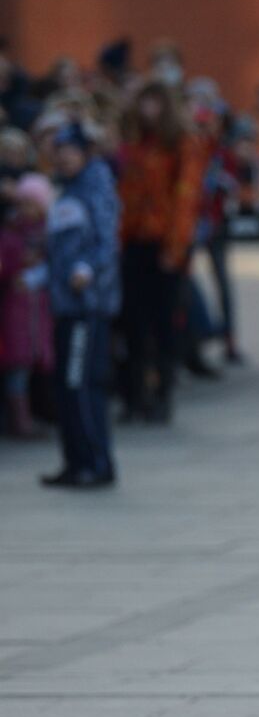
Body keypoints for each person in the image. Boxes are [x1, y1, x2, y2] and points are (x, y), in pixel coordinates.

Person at [116, 79, 202, 422]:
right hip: (131, 240)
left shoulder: (180, 144)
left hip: (163, 242)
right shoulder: (132, 143)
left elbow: (186, 198)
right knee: (131, 321)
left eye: (154, 103)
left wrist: (175, 246)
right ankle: (134, 395)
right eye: (143, 102)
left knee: (162, 322)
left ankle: (162, 393)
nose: (147, 110)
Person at [41, 122, 120, 488]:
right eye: (59, 151)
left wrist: (86, 269)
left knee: (81, 385)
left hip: (86, 305)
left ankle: (96, 464)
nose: (63, 157)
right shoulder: (66, 191)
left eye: (70, 150)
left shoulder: (96, 188)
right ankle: (74, 462)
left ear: (84, 152)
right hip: (63, 305)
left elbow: (106, 242)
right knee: (66, 386)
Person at [0, 172, 55, 437]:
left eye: (32, 204)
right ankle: (19, 421)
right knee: (17, 370)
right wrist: (17, 267)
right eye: (22, 204)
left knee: (32, 368)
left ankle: (32, 416)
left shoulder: (49, 232)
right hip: (16, 311)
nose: (26, 210)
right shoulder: (10, 235)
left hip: (37, 311)